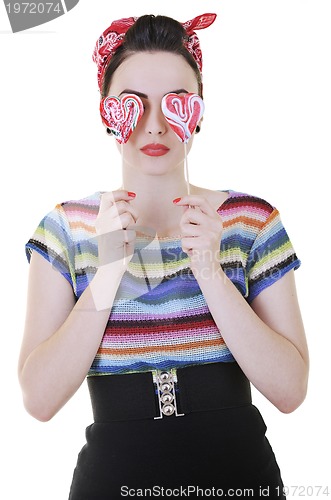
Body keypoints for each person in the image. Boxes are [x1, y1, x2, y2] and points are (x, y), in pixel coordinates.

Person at [18, 13, 309, 499]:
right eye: (134, 104)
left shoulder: (250, 222)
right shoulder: (67, 229)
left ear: (197, 110)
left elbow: (291, 390)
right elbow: (39, 399)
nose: (154, 127)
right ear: (107, 112)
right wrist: (108, 270)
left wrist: (211, 273)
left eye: (174, 103)